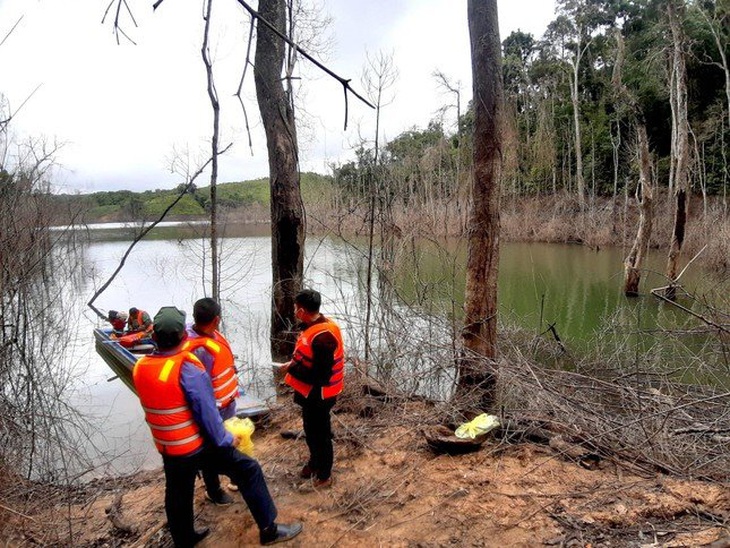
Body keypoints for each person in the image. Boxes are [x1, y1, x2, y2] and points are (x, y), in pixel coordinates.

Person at [133, 306, 302, 547]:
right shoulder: (187, 368)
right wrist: (225, 438)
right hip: (195, 445)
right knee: (248, 469)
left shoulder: (141, 367)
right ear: (182, 336)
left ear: (155, 337)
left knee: (177, 492)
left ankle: (185, 539)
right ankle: (269, 530)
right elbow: (207, 413)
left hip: (168, 446)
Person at [281, 289, 344, 489]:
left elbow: (321, 376)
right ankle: (315, 463)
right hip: (309, 393)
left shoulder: (324, 337)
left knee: (321, 433)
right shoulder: (313, 326)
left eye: (295, 308)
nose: (293, 311)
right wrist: (294, 365)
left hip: (320, 394)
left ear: (301, 310)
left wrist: (292, 368)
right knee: (310, 429)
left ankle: (324, 475)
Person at [183, 297, 239, 505]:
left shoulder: (212, 335)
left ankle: (235, 478)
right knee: (211, 449)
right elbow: (200, 391)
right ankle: (214, 490)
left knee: (232, 443)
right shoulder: (199, 350)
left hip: (228, 403)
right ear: (216, 319)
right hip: (213, 409)